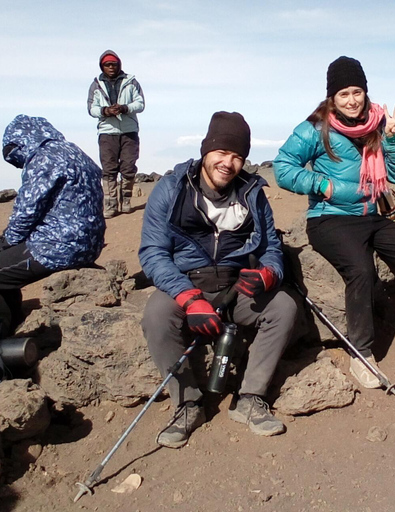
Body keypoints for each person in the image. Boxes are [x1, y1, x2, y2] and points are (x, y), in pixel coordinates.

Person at [273, 56, 395, 389]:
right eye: (343, 93)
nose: (351, 100)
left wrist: (393, 140)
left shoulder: (378, 124)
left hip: (372, 215)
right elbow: (283, 168)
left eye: (357, 91)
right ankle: (361, 354)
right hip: (329, 219)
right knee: (361, 270)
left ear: (365, 92)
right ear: (333, 97)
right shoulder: (316, 128)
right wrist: (324, 186)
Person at [139, 111, 296, 448]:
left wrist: (269, 274)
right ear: (205, 150)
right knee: (156, 315)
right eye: (222, 152)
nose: (228, 162)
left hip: (236, 286)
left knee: (282, 306)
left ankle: (250, 398)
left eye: (238, 156)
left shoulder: (252, 193)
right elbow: (152, 252)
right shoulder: (171, 190)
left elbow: (271, 247)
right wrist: (188, 298)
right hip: (185, 282)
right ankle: (187, 403)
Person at [0, 115, 105, 328]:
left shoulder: (44, 159)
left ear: (20, 143)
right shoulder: (74, 151)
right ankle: (14, 317)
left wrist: (7, 240)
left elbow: (27, 211)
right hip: (88, 243)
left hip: (58, 247)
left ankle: (3, 331)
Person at [87, 49, 145, 218]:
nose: (111, 67)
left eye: (114, 64)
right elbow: (91, 108)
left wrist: (125, 108)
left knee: (128, 167)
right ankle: (110, 204)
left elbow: (140, 103)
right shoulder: (96, 84)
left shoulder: (131, 82)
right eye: (107, 64)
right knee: (109, 168)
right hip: (107, 131)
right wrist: (105, 111)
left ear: (119, 65)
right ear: (102, 66)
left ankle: (125, 200)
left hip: (129, 131)